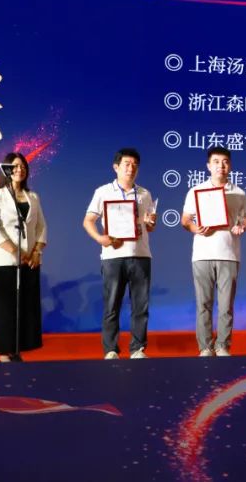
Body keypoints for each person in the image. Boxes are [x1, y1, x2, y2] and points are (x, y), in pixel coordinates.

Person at [83, 148, 156, 359]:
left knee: (140, 305)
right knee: (112, 304)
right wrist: (100, 238)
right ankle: (111, 349)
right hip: (112, 255)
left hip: (141, 254)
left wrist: (151, 223)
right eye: (126, 164)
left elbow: (149, 226)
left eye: (135, 165)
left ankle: (137, 348)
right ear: (116, 167)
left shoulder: (144, 194)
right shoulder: (103, 192)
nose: (131, 168)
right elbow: (88, 220)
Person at [181, 146, 246, 357]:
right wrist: (195, 228)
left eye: (225, 162)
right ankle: (205, 347)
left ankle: (223, 346)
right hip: (202, 254)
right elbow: (185, 220)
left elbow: (244, 220)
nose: (221, 166)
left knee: (226, 305)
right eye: (216, 162)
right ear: (208, 166)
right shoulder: (196, 191)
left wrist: (241, 226)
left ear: (230, 165)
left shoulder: (239, 193)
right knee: (204, 303)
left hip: (229, 254)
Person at [0, 153, 47, 363]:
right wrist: (15, 251)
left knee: (25, 307)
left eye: (23, 166)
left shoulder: (33, 197)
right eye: (15, 166)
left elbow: (41, 226)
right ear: (7, 170)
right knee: (5, 308)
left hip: (30, 261)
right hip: (6, 260)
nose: (20, 170)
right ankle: (4, 353)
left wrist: (36, 252)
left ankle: (19, 349)